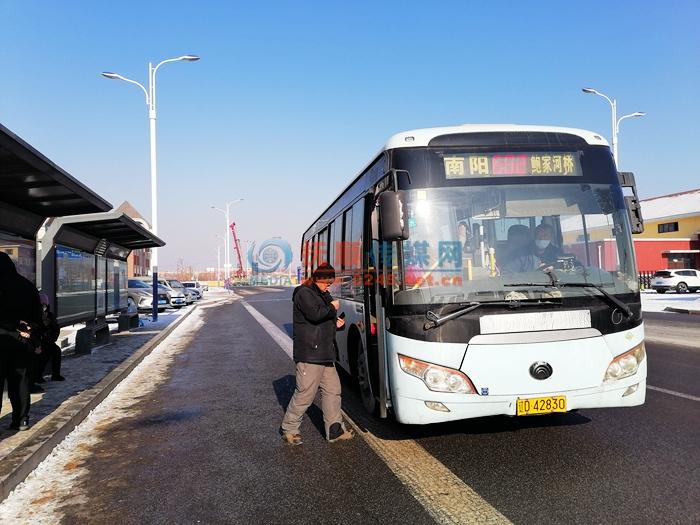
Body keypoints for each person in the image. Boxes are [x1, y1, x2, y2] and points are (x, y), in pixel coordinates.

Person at [280, 262, 353, 445]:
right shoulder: (304, 293)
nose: (328, 285)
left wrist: (335, 322)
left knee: (333, 391)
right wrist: (332, 309)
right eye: (326, 282)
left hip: (325, 353)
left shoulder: (323, 294)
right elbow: (315, 314)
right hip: (310, 354)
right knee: (305, 394)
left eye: (330, 282)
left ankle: (334, 430)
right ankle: (289, 429)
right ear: (318, 278)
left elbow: (323, 318)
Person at [0, 252, 43, 431]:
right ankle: (22, 419)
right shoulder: (27, 286)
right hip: (21, 341)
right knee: (20, 381)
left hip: (1, 340)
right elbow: (37, 317)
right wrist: (29, 329)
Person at [35, 292, 64, 383]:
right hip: (38, 342)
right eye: (41, 305)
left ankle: (56, 374)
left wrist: (51, 339)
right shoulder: (35, 315)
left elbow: (56, 329)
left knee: (56, 351)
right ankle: (38, 376)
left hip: (48, 341)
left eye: (45, 305)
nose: (43, 307)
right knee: (43, 354)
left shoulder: (50, 315)